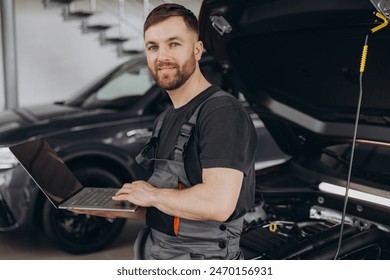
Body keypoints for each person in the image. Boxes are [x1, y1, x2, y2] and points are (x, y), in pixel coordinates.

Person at [72, 3, 257, 260]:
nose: (162, 56)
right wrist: (114, 206)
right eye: (153, 47)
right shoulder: (165, 118)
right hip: (159, 250)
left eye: (174, 44)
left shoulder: (222, 112)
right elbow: (164, 205)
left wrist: (150, 194)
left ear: (197, 50)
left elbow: (218, 204)